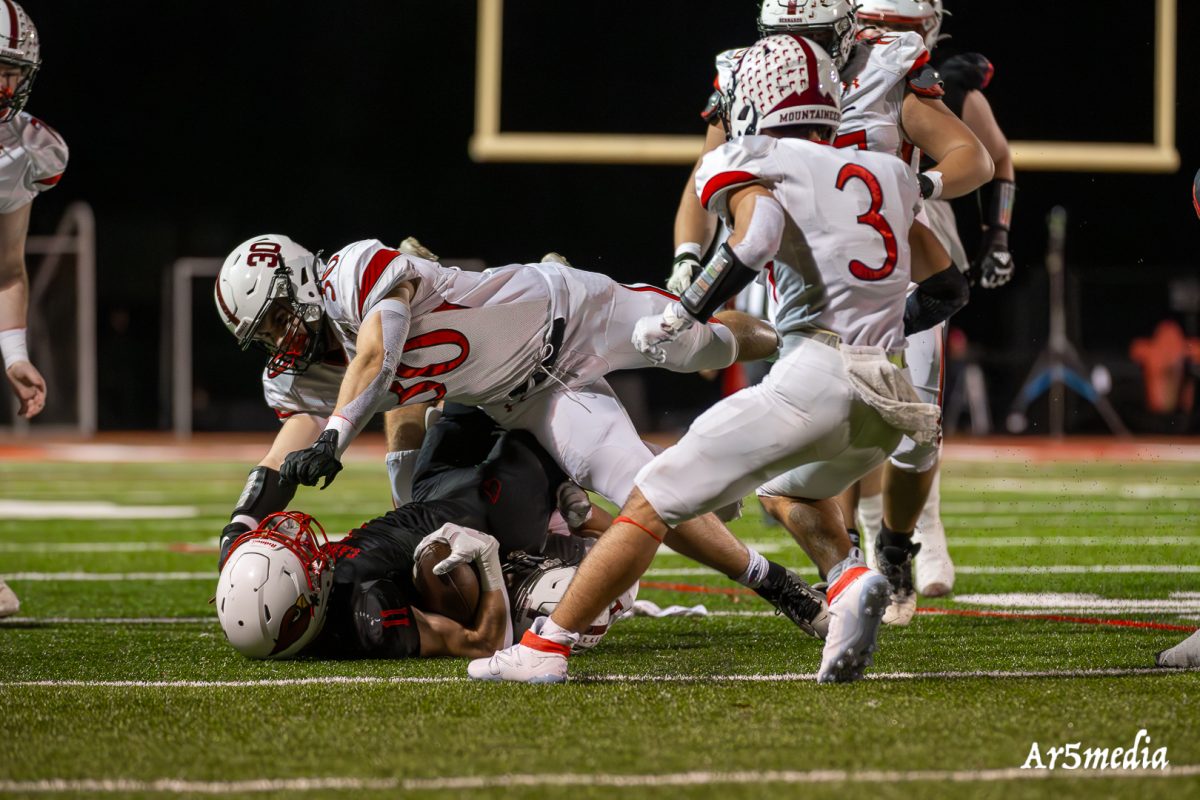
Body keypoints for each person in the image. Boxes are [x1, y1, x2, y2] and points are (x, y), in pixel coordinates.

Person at [470, 34, 967, 685]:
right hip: (885, 393)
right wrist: (878, 329)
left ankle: (547, 647)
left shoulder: (750, 156)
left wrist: (685, 312)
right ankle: (848, 584)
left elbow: (756, 236)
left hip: (811, 382)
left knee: (650, 499)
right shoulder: (890, 171)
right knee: (791, 491)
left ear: (760, 98)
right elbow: (948, 288)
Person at [215, 229, 831, 637]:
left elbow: (377, 355)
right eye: (263, 335)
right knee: (647, 488)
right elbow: (292, 438)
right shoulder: (301, 373)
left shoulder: (351, 271)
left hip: (571, 309)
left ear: (298, 279)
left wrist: (339, 434)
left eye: (276, 318)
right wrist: (239, 528)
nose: (278, 339)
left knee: (698, 344)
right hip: (529, 399)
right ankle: (778, 585)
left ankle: (797, 339)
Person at [852, 0, 1018, 600]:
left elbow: (990, 154)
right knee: (848, 396)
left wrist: (996, 233)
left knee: (918, 403)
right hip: (847, 252)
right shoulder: (821, 74)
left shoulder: (938, 81)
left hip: (922, 244)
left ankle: (916, 534)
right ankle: (864, 536)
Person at [0, 3, 69, 620]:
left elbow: (8, 270)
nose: (3, 86)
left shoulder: (23, 151)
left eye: (11, 70)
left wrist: (15, 355)